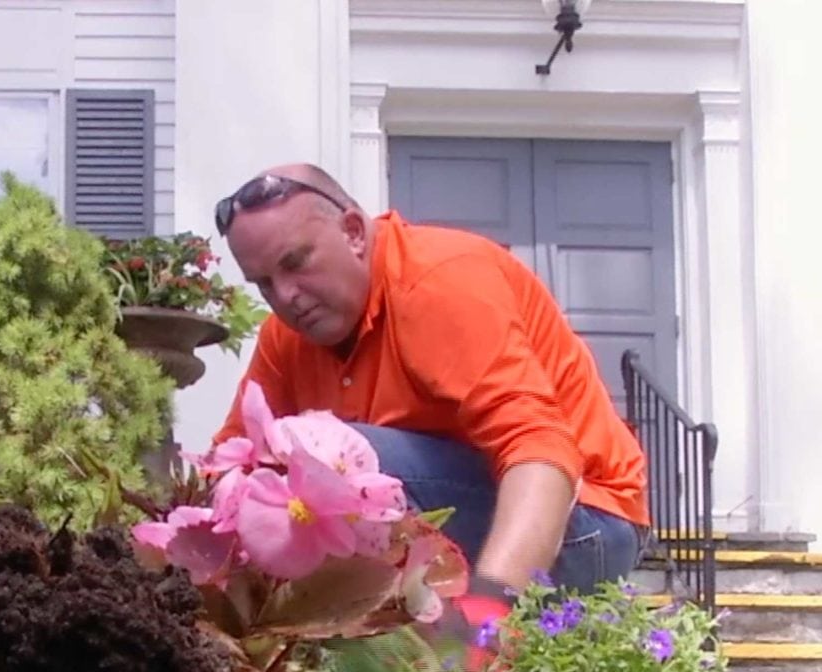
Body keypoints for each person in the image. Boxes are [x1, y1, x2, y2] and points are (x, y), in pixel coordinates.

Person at [207, 162, 652, 643]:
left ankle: (452, 646)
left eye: (296, 262)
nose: (286, 296)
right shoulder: (285, 338)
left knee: (329, 453)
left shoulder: (439, 282)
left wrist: (490, 610)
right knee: (278, 468)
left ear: (354, 232)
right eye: (264, 283)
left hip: (584, 521)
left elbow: (542, 449)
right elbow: (234, 466)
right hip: (459, 516)